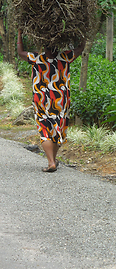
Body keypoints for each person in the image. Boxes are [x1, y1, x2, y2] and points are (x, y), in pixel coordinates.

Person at [17, 30, 85, 172]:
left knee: (45, 130)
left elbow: (20, 52)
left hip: (41, 100)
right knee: (57, 129)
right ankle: (53, 160)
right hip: (61, 100)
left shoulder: (36, 58)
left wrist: (19, 34)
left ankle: (51, 162)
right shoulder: (65, 57)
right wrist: (82, 33)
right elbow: (81, 48)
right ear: (58, 46)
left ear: (44, 46)